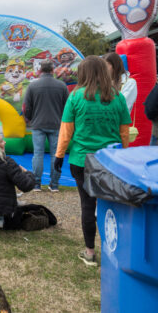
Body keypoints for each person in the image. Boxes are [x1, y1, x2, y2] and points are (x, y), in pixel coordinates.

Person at [54, 56, 131, 266]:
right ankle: (117, 250)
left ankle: (89, 252)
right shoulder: (118, 97)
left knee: (88, 205)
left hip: (82, 160)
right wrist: (123, 155)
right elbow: (125, 132)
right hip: (111, 160)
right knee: (115, 203)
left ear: (83, 73)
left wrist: (59, 156)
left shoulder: (76, 97)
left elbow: (66, 131)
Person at [22, 59, 69, 192]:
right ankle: (54, 184)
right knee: (56, 154)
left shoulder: (32, 86)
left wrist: (31, 119)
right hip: (56, 124)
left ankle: (36, 184)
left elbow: (26, 107)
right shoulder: (62, 86)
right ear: (53, 70)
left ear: (40, 70)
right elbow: (67, 108)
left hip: (38, 124)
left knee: (38, 154)